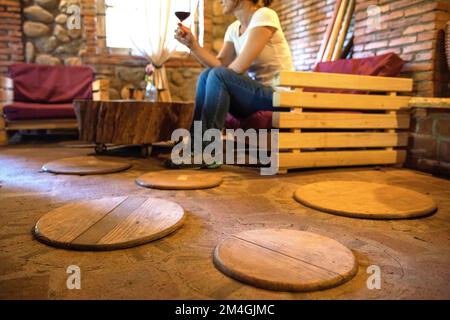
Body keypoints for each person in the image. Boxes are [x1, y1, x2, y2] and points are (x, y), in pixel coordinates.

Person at [167, 0, 294, 169]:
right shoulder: (233, 28)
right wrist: (193, 45)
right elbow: (219, 64)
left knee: (218, 75)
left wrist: (221, 75)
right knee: (206, 75)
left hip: (279, 98)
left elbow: (239, 67)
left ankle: (206, 151)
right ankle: (195, 147)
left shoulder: (265, 15)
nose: (220, 1)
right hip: (255, 96)